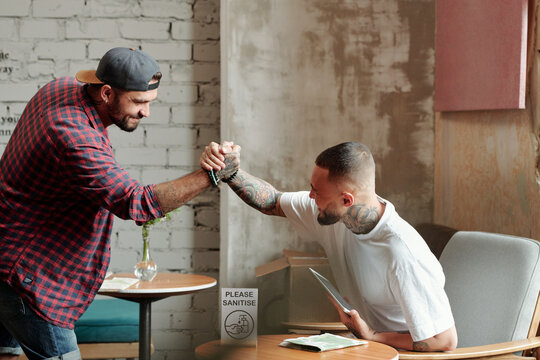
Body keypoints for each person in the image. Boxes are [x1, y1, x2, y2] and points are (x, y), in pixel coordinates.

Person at [0, 48, 238, 360]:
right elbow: (136, 203)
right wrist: (211, 175)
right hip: (29, 280)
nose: (145, 113)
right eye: (138, 102)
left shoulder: (58, 88)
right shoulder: (74, 137)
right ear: (107, 92)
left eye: (150, 102)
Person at [201, 141, 457, 352]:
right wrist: (231, 172)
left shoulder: (402, 253)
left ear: (347, 199)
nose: (310, 197)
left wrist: (372, 335)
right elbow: (272, 202)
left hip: (402, 355)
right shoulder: (337, 213)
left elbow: (444, 341)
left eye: (316, 191)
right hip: (366, 349)